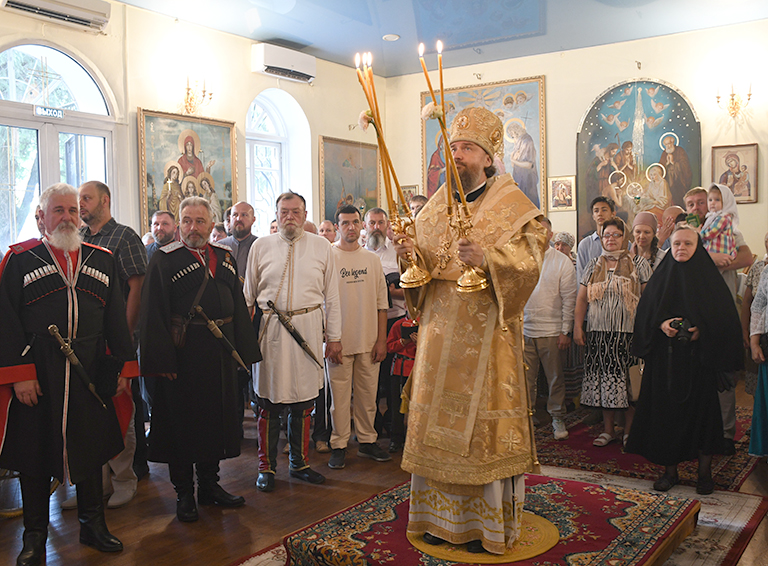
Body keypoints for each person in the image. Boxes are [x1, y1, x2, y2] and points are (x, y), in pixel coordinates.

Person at [393, 106, 546, 555]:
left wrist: (491, 261)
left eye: (467, 148)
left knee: (480, 437)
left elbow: (531, 262)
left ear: (487, 156)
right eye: (454, 146)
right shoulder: (436, 206)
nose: (457, 154)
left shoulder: (514, 206)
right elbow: (421, 270)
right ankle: (438, 522)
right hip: (440, 337)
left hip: (488, 341)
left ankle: (486, 528)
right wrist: (409, 257)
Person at [0, 183, 139, 565]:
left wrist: (123, 369)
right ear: (40, 217)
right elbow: (5, 321)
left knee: (92, 449)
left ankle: (94, 526)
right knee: (33, 456)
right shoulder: (19, 259)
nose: (67, 217)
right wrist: (20, 374)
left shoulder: (102, 258)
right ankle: (34, 537)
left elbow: (115, 318)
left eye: (73, 210)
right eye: (58, 210)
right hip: (38, 374)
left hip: (91, 370)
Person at [139, 197, 261, 522]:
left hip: (220, 356)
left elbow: (237, 305)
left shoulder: (224, 256)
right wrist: (162, 362)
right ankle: (184, 494)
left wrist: (243, 354)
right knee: (183, 426)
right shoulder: (164, 260)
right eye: (188, 221)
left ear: (211, 224)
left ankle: (209, 487)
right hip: (182, 357)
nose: (194, 227)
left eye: (200, 221)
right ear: (179, 224)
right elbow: (152, 315)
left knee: (215, 424)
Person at [627, 224, 743, 494]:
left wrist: (703, 329)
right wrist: (662, 324)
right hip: (664, 365)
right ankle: (670, 473)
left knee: (702, 420)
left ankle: (704, 475)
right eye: (677, 243)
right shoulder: (662, 277)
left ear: (697, 247)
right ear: (671, 245)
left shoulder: (708, 279)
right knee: (667, 419)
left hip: (699, 364)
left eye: (688, 244)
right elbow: (645, 316)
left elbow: (726, 321)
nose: (681, 248)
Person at [244, 192, 342, 493]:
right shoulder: (260, 246)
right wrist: (246, 341)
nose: (290, 217)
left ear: (304, 213)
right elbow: (248, 297)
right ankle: (266, 466)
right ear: (275, 214)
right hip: (270, 332)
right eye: (284, 212)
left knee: (303, 401)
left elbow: (333, 297)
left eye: (295, 212)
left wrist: (334, 338)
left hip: (309, 328)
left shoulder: (322, 247)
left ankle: (300, 464)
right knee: (268, 403)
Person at [77, 180, 147, 506]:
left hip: (115, 340)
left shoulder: (124, 236)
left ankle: (124, 479)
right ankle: (96, 483)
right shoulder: (77, 238)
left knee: (120, 409)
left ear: (104, 200)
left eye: (86, 198)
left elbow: (136, 287)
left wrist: (125, 336)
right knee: (88, 414)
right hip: (85, 341)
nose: (81, 205)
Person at [685, 186, 752, 454]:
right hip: (693, 309)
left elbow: (746, 257)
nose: (698, 207)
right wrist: (710, 257)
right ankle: (696, 428)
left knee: (722, 373)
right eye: (692, 204)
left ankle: (725, 433)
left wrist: (723, 262)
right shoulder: (687, 235)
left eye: (703, 202)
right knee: (694, 373)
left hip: (721, 308)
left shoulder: (729, 228)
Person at [574, 217, 652, 448]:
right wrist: (578, 326)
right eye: (606, 235)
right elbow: (581, 298)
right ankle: (608, 430)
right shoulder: (593, 265)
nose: (610, 239)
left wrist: (645, 331)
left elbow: (649, 301)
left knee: (627, 386)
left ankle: (629, 431)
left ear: (624, 238)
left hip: (628, 335)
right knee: (603, 385)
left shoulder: (639, 264)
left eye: (616, 235)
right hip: (598, 335)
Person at [326, 205, 390, 470]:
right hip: (338, 340)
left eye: (355, 222)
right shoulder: (328, 257)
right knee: (338, 398)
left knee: (367, 394)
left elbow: (381, 304)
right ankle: (339, 444)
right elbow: (323, 303)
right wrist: (331, 339)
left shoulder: (372, 260)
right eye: (345, 223)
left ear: (362, 225)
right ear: (337, 225)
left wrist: (381, 340)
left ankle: (367, 440)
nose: (350, 227)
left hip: (368, 339)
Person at [523, 217, 577, 440]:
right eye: (533, 229)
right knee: (525, 379)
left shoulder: (561, 261)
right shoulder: (520, 258)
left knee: (555, 377)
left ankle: (557, 417)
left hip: (552, 330)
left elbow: (569, 299)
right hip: (524, 329)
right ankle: (526, 418)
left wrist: (565, 331)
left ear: (550, 235)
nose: (538, 234)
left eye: (542, 230)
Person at [364, 207, 406, 450]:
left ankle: (395, 430)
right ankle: (372, 426)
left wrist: (390, 291)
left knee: (393, 379)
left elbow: (412, 288)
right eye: (372, 222)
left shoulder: (397, 254)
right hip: (367, 321)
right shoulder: (358, 252)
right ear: (365, 225)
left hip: (394, 321)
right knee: (370, 378)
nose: (376, 227)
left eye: (380, 222)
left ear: (387, 225)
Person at [219, 202, 259, 439]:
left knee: (257, 373)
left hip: (255, 320)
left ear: (253, 219)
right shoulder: (219, 247)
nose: (239, 219)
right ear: (229, 220)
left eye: (244, 215)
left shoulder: (261, 246)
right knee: (232, 377)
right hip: (228, 319)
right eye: (235, 215)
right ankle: (233, 428)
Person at [576, 196, 616, 283]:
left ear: (613, 214)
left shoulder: (623, 242)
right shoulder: (585, 244)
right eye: (596, 211)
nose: (600, 214)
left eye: (604, 210)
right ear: (593, 216)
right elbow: (580, 275)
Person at [699, 184, 738, 261]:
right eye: (710, 200)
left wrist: (699, 232)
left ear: (726, 202)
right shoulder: (712, 217)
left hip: (720, 252)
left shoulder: (723, 217)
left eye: (717, 200)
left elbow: (711, 233)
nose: (712, 203)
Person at [507, 121, 539, 207]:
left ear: (515, 132)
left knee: (528, 205)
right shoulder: (518, 143)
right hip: (518, 179)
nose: (513, 138)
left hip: (527, 180)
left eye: (512, 135)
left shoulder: (527, 141)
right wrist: (512, 158)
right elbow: (513, 165)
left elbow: (529, 165)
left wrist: (513, 160)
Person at [658, 134, 692, 206]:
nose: (668, 146)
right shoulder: (664, 153)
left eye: (669, 144)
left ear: (673, 143)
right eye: (666, 144)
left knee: (678, 196)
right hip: (668, 180)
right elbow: (660, 167)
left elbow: (685, 165)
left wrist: (673, 162)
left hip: (679, 179)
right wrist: (667, 163)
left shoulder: (680, 150)